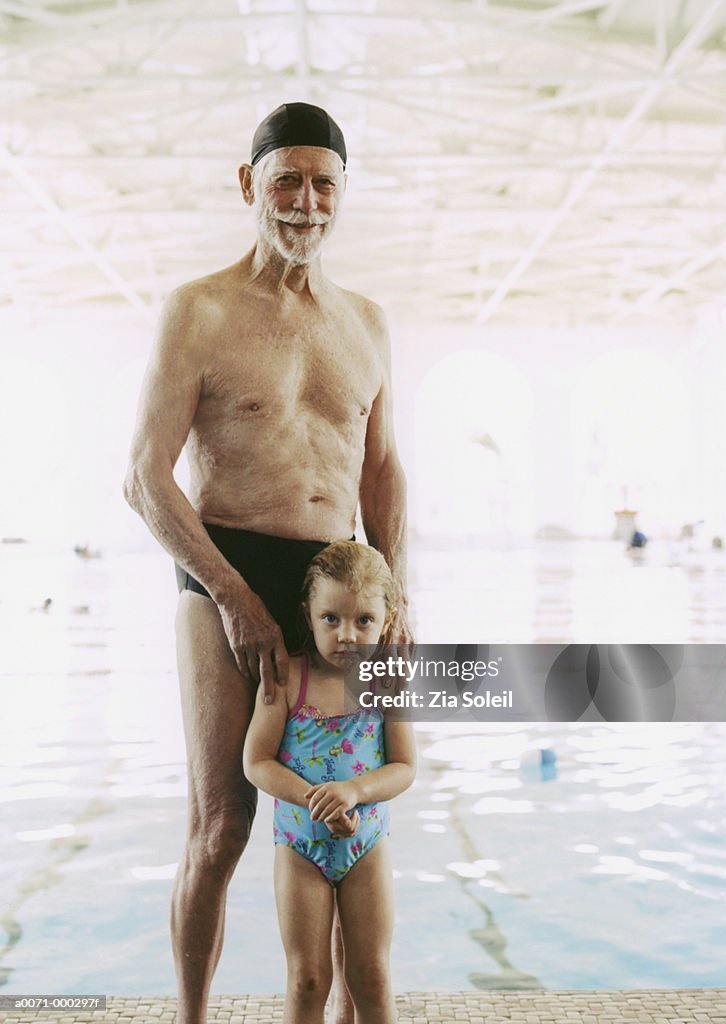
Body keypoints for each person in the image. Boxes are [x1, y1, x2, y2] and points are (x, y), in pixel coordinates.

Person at [123, 101, 411, 1024]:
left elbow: (383, 467)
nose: (305, 200)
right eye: (286, 179)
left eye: (324, 182)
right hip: (224, 569)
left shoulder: (367, 320)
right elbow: (142, 478)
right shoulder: (198, 310)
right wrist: (233, 595)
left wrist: (397, 593)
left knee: (351, 814)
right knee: (221, 824)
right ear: (249, 184)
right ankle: (192, 1017)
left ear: (342, 193)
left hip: (340, 584)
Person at [244, 541, 416, 1024]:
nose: (347, 634)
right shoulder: (285, 678)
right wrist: (314, 799)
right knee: (307, 978)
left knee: (372, 975)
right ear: (309, 614)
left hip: (367, 846)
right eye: (331, 619)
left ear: (388, 617)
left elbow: (404, 766)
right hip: (300, 848)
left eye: (363, 620)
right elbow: (256, 761)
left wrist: (355, 792)